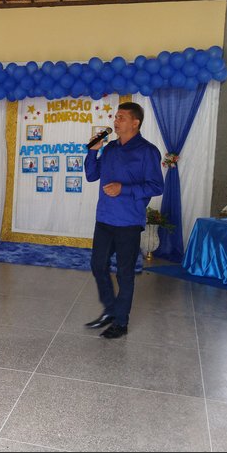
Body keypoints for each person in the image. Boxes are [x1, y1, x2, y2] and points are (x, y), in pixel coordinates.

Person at [83, 102, 163, 339]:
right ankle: (111, 309)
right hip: (105, 218)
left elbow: (156, 186)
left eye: (121, 117)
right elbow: (90, 175)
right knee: (98, 265)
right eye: (115, 117)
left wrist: (123, 189)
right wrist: (92, 150)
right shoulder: (109, 149)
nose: (115, 121)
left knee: (124, 273)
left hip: (128, 221)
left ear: (135, 122)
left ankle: (121, 322)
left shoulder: (147, 151)